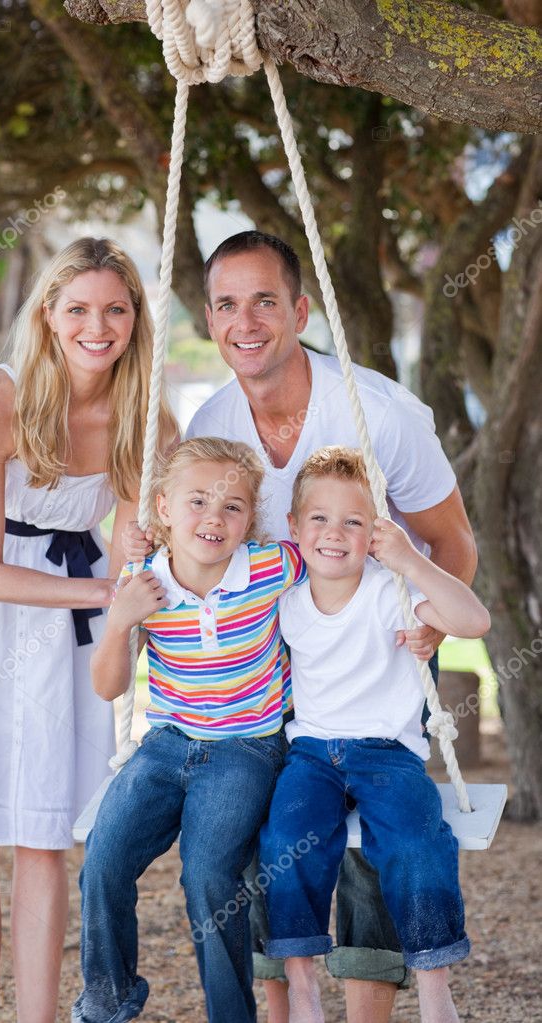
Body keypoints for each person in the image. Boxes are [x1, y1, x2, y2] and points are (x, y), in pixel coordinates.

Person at [124, 230, 478, 1023]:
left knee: (376, 854)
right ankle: (290, 1004)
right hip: (269, 683)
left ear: (300, 310)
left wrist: (431, 633)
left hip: (376, 666)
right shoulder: (213, 423)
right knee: (270, 841)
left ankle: (378, 1006)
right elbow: (197, 543)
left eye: (264, 301)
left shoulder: (377, 413)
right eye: (225, 304)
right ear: (209, 319)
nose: (244, 321)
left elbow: (453, 542)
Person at [0, 237, 176, 1023]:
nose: (98, 325)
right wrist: (107, 593)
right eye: (78, 308)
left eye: (115, 308)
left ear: (135, 318)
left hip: (70, 614)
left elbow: (151, 519)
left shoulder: (144, 414)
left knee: (47, 830)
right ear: (48, 316)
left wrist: (141, 546)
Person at [73, 438, 306, 1023]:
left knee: (208, 876)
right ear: (163, 508)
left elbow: (336, 556)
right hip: (166, 744)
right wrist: (121, 618)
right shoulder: (143, 581)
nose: (213, 518)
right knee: (103, 859)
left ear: (250, 519)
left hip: (247, 749)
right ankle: (107, 1002)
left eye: (232, 507)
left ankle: (231, 1015)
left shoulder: (270, 566)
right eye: (197, 501)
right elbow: (107, 687)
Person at [260, 446, 490, 1023]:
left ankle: (433, 980)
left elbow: (473, 622)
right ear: (294, 527)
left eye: (354, 521)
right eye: (319, 518)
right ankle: (303, 978)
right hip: (310, 754)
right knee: (286, 840)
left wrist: (412, 562)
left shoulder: (392, 590)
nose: (334, 533)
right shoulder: (283, 599)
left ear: (376, 533)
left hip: (387, 753)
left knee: (417, 840)